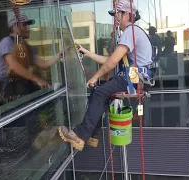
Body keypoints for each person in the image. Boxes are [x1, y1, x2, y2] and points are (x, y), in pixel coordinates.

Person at [58, 0, 154, 151]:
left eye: (118, 15)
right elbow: (111, 61)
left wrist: (95, 77)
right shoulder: (133, 32)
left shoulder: (130, 32)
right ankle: (91, 136)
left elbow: (111, 63)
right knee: (99, 93)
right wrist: (87, 52)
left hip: (133, 78)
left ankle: (80, 135)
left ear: (127, 14)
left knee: (99, 92)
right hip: (135, 78)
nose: (115, 18)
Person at [0, 13, 67, 98]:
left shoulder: (26, 46)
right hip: (8, 86)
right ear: (14, 26)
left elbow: (42, 63)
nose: (28, 28)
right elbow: (14, 66)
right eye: (24, 25)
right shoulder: (7, 42)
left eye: (28, 25)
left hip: (20, 85)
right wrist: (36, 79)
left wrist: (59, 55)